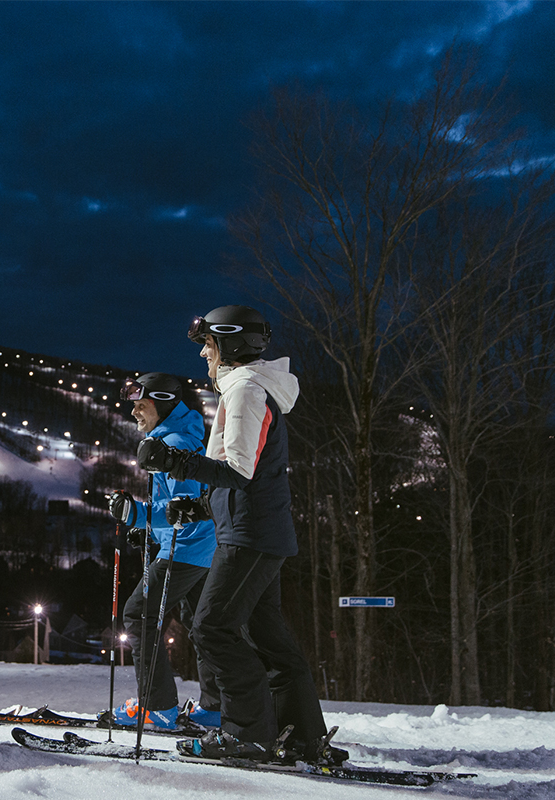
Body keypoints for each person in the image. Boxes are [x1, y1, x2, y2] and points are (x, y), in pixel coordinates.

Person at [137, 305, 345, 765]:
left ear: (230, 346)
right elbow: (244, 473)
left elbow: (240, 470)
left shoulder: (248, 390)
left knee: (211, 627)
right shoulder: (244, 389)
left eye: (208, 346)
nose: (204, 357)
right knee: (267, 636)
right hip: (252, 529)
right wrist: (199, 504)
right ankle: (302, 736)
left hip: (250, 535)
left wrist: (175, 462)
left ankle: (248, 734)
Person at [106, 372, 219, 731]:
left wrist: (136, 515)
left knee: (138, 614)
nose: (135, 413)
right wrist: (147, 529)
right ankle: (216, 708)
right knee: (203, 626)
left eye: (142, 406)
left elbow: (184, 510)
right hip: (200, 548)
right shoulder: (178, 436)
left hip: (187, 549)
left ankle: (159, 708)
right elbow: (177, 506)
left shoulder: (175, 445)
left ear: (163, 404)